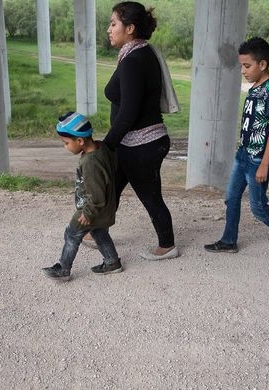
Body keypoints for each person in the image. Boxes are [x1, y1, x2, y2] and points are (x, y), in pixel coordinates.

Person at [204, 37, 269, 260]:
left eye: (247, 66)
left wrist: (265, 164)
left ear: (263, 64)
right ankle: (229, 241)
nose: (243, 71)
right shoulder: (254, 89)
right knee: (231, 198)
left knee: (258, 207)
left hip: (258, 160)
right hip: (243, 155)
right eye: (241, 66)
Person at [102, 1, 178, 261]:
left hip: (143, 145)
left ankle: (167, 245)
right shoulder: (137, 54)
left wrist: (105, 145)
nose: (109, 29)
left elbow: (128, 113)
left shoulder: (135, 60)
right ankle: (96, 231)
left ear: (130, 28)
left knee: (150, 195)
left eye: (113, 24)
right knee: (110, 187)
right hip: (131, 143)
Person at [42, 112, 122, 280]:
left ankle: (63, 269)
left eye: (66, 143)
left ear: (80, 141)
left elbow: (96, 192)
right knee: (99, 233)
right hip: (104, 207)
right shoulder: (101, 147)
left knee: (72, 234)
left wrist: (88, 212)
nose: (65, 146)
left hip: (91, 208)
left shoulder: (90, 163)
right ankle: (112, 262)